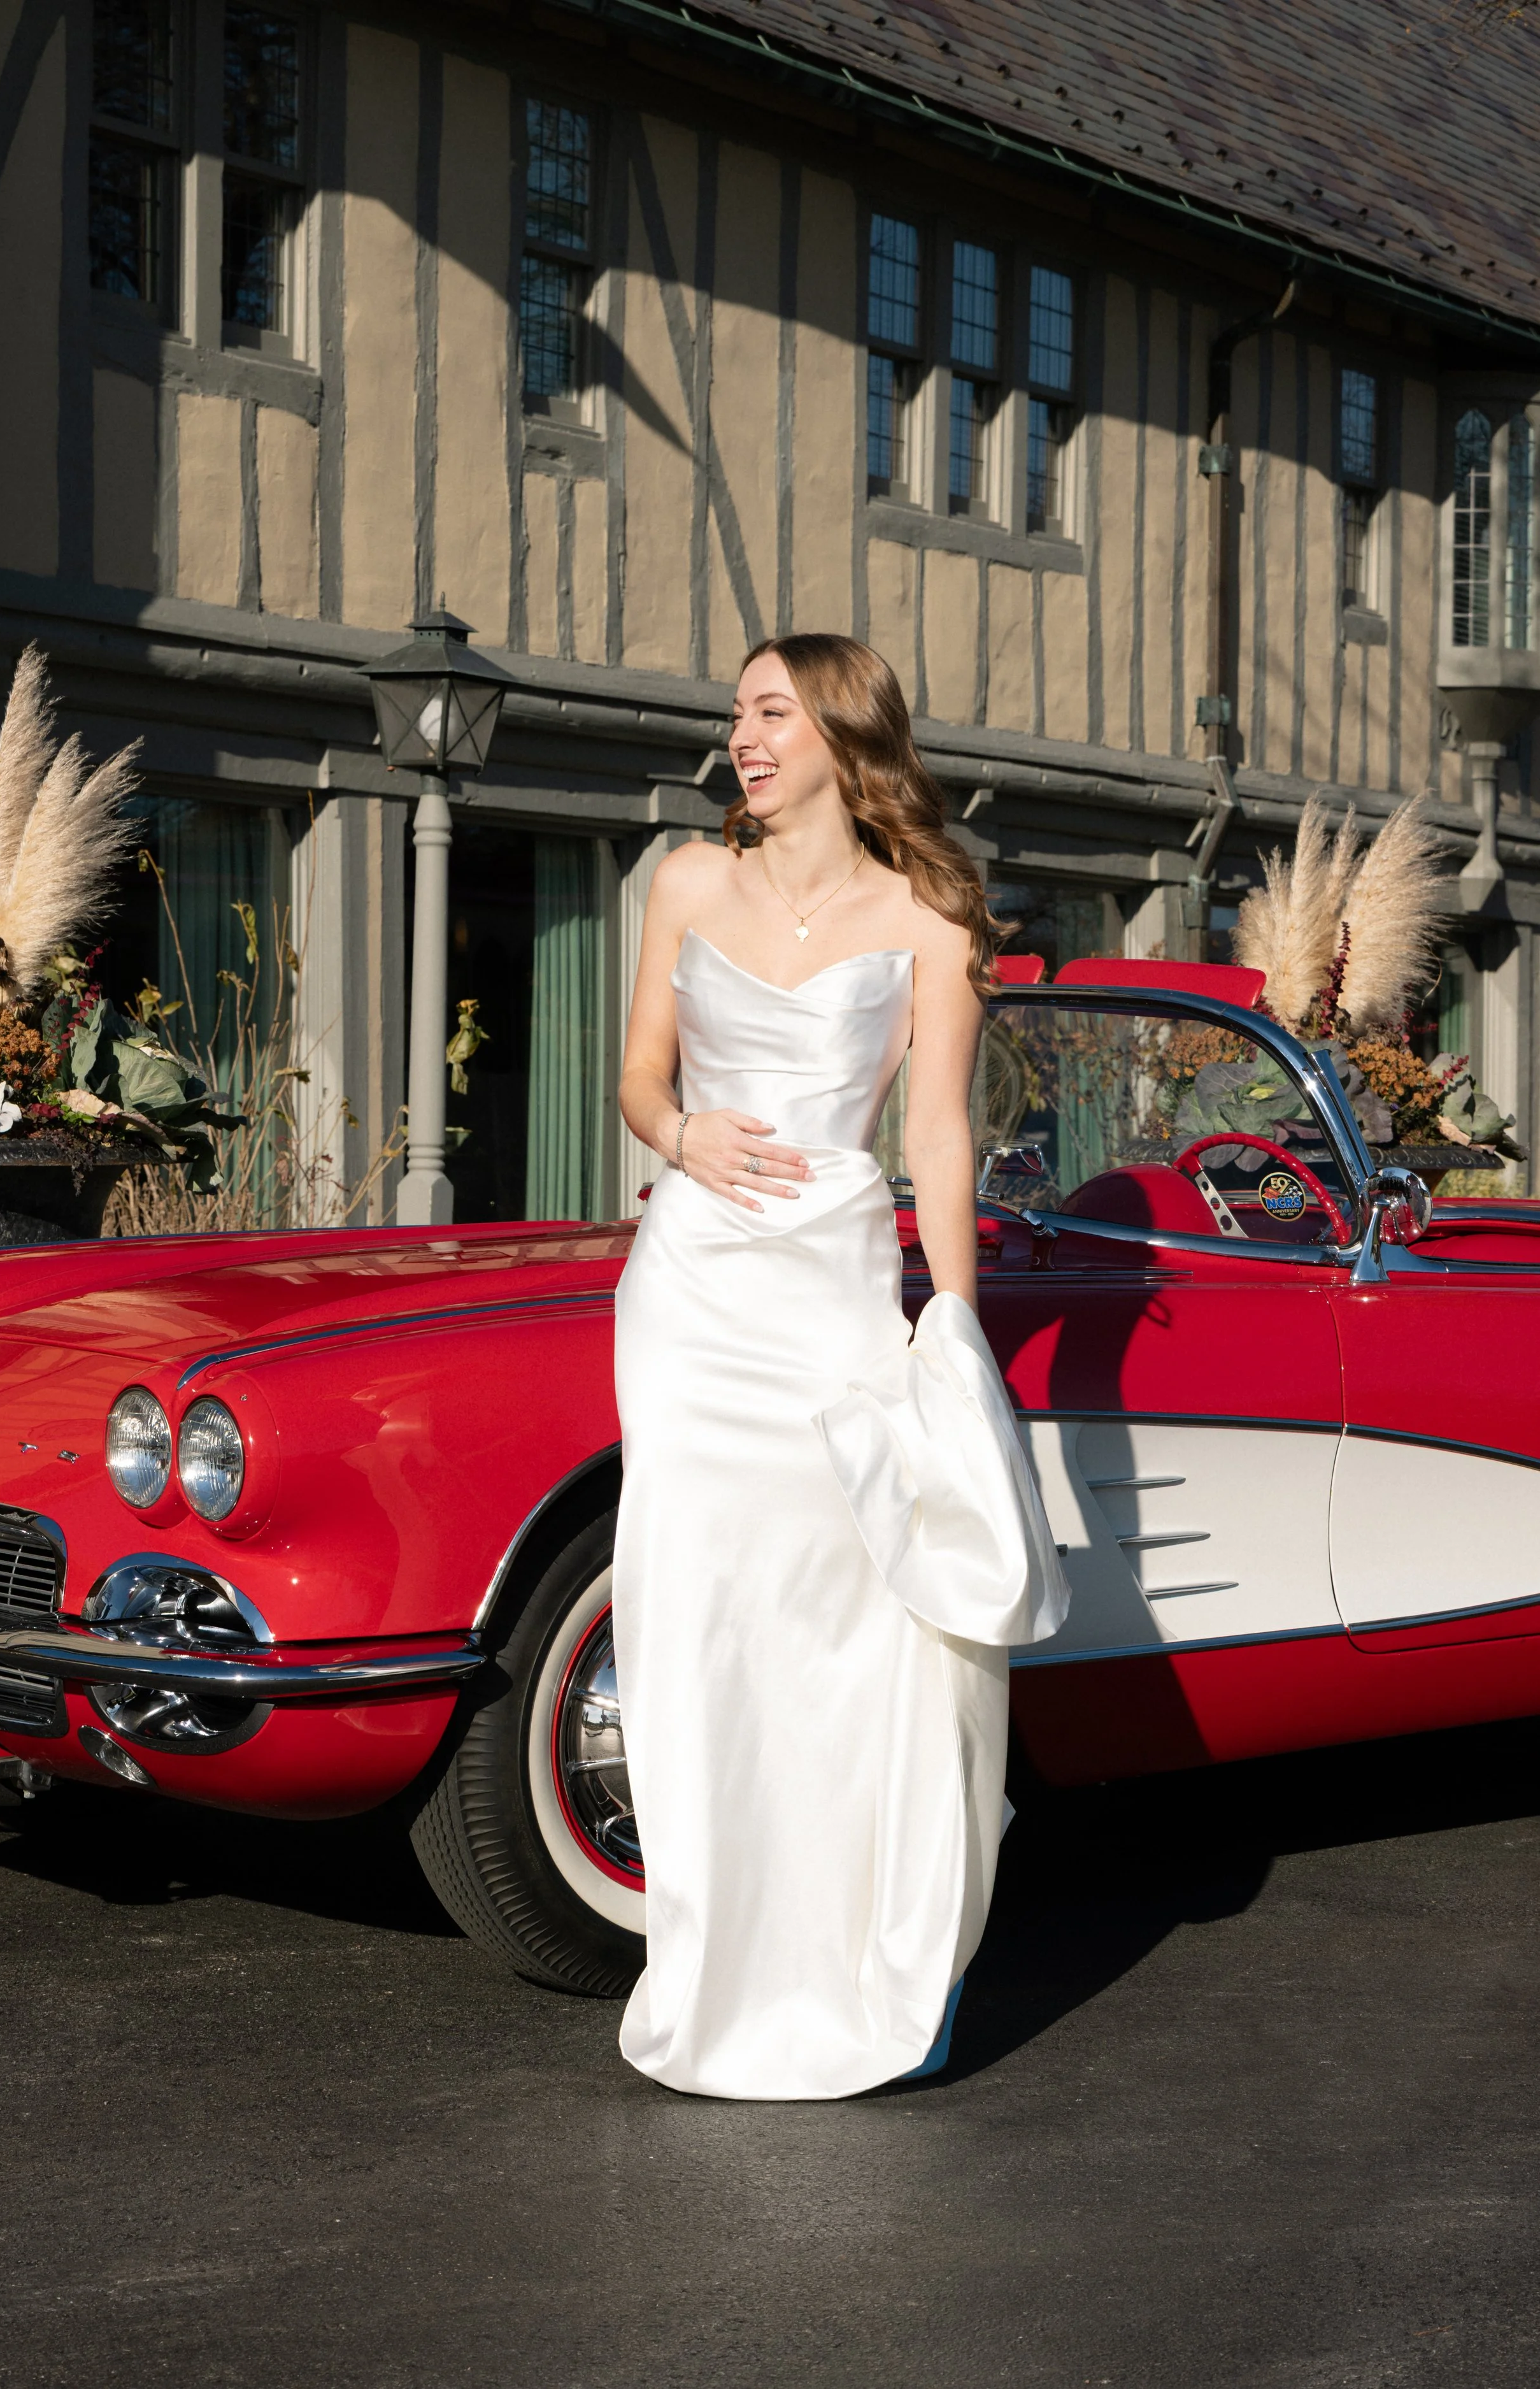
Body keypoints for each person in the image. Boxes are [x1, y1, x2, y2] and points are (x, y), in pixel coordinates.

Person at [615, 633, 1068, 2100]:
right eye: (735, 712)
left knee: (839, 1627)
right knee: (693, 1620)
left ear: (838, 730)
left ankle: (860, 1955)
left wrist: (953, 1320)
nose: (741, 736)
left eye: (766, 711)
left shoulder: (929, 912)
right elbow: (638, 1076)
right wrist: (682, 1137)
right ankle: (705, 1968)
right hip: (688, 1297)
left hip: (829, 1290)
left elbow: (935, 1132)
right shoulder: (684, 882)